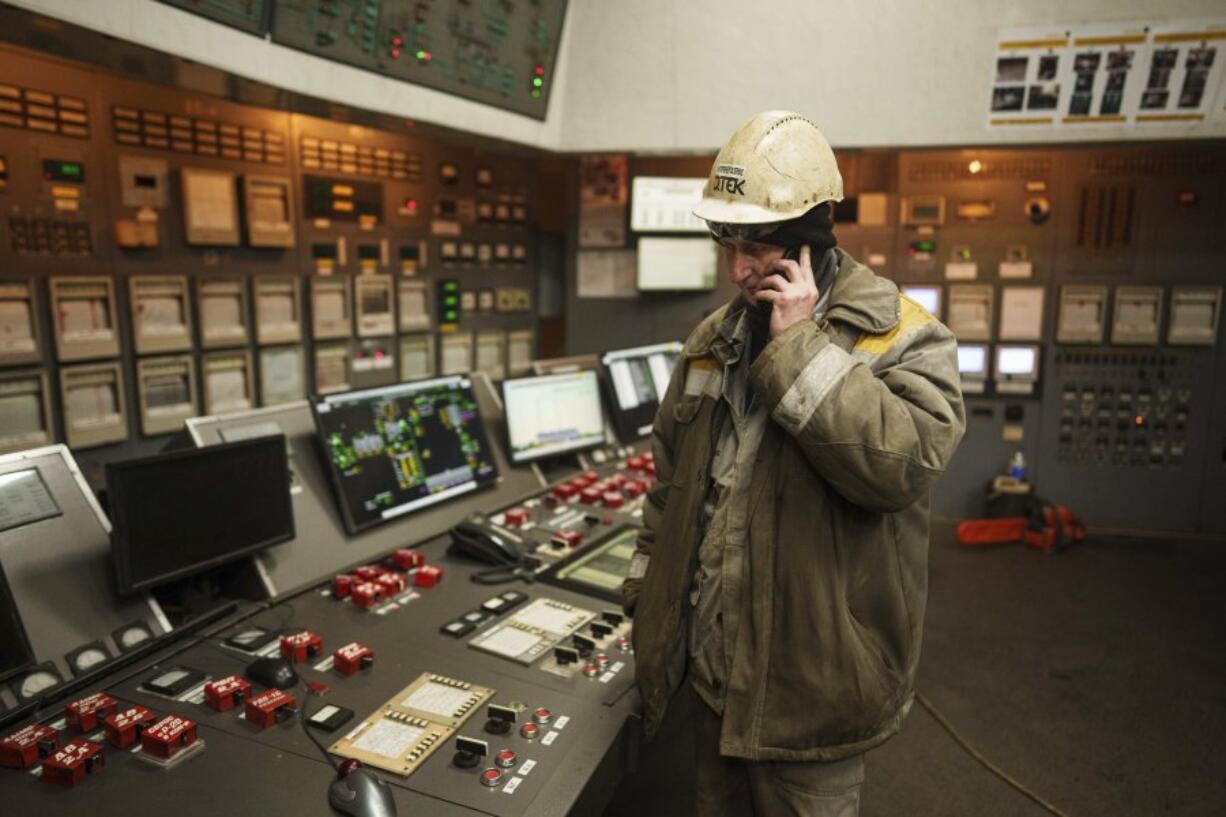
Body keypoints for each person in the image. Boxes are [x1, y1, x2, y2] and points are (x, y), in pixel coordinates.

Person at [621, 111, 966, 817]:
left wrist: (801, 350)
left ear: (811, 236)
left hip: (812, 701)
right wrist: (644, 602)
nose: (739, 268)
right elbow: (669, 492)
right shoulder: (710, 342)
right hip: (714, 684)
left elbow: (903, 467)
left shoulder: (903, 338)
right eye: (727, 243)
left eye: (758, 245)